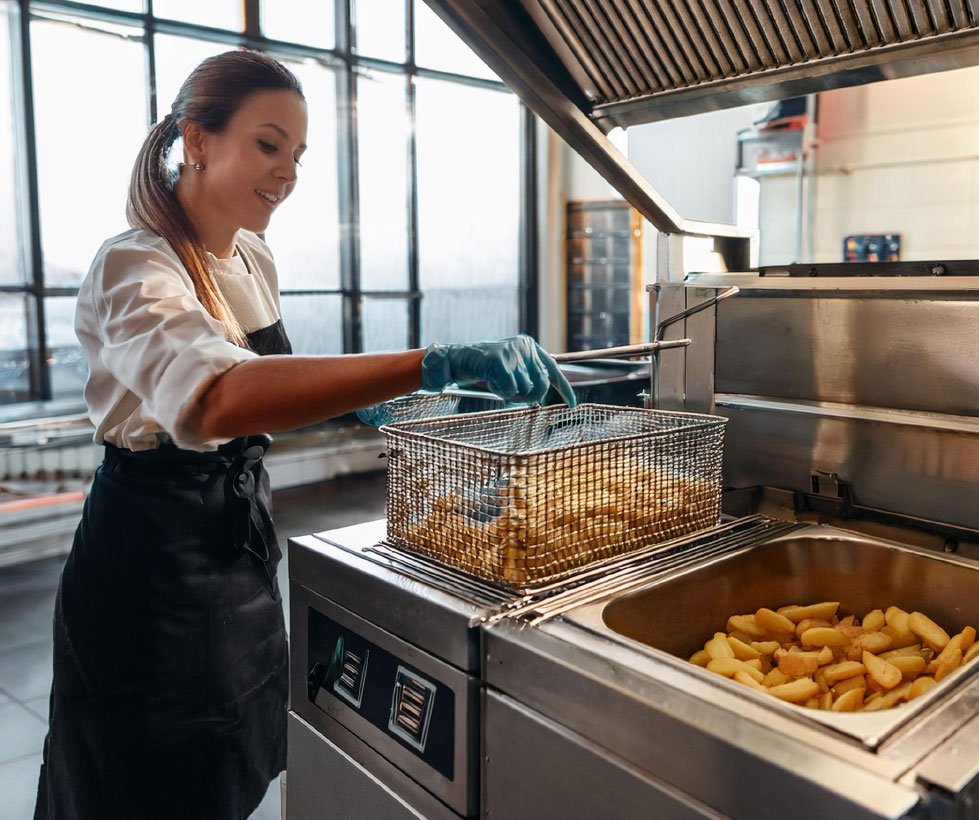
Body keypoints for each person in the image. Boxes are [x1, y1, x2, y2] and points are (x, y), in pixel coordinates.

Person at [34, 49, 574, 820]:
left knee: (226, 761)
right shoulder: (134, 267)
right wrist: (428, 361)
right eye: (268, 144)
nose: (287, 172)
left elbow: (265, 381)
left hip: (237, 546)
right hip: (149, 561)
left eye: (297, 153)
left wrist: (370, 406)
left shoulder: (251, 255)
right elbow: (217, 398)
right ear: (197, 139)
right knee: (141, 781)